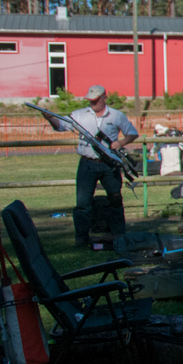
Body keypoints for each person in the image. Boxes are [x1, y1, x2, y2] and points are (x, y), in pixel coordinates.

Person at [42, 84, 139, 247]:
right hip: (87, 163)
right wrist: (50, 118)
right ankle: (81, 237)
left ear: (104, 98)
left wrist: (120, 142)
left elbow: (132, 133)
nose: (93, 104)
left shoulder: (116, 116)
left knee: (115, 199)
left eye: (96, 101)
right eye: (91, 101)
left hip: (109, 164)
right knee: (82, 203)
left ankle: (119, 235)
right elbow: (60, 126)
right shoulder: (78, 115)